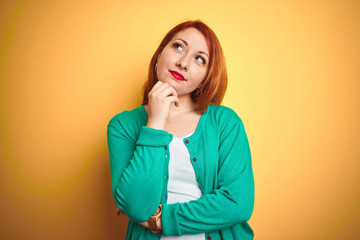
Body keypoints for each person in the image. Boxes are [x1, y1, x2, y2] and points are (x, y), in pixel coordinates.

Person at [107, 20, 254, 240]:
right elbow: (136, 207)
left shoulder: (225, 122)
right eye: (178, 47)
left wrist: (160, 219)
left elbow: (237, 203)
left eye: (199, 59)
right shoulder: (123, 126)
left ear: (206, 77)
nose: (183, 63)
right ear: (159, 55)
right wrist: (155, 122)